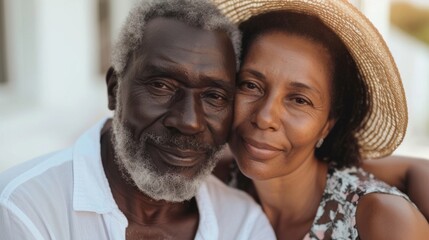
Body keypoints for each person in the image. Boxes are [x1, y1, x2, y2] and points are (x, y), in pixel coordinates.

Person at [0, 0, 276, 239]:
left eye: (214, 96)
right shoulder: (23, 208)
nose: (189, 122)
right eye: (162, 86)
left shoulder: (242, 224)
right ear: (114, 90)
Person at [212, 0, 429, 239]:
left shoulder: (382, 220)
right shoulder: (212, 181)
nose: (264, 118)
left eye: (299, 100)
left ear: (328, 124)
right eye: (250, 85)